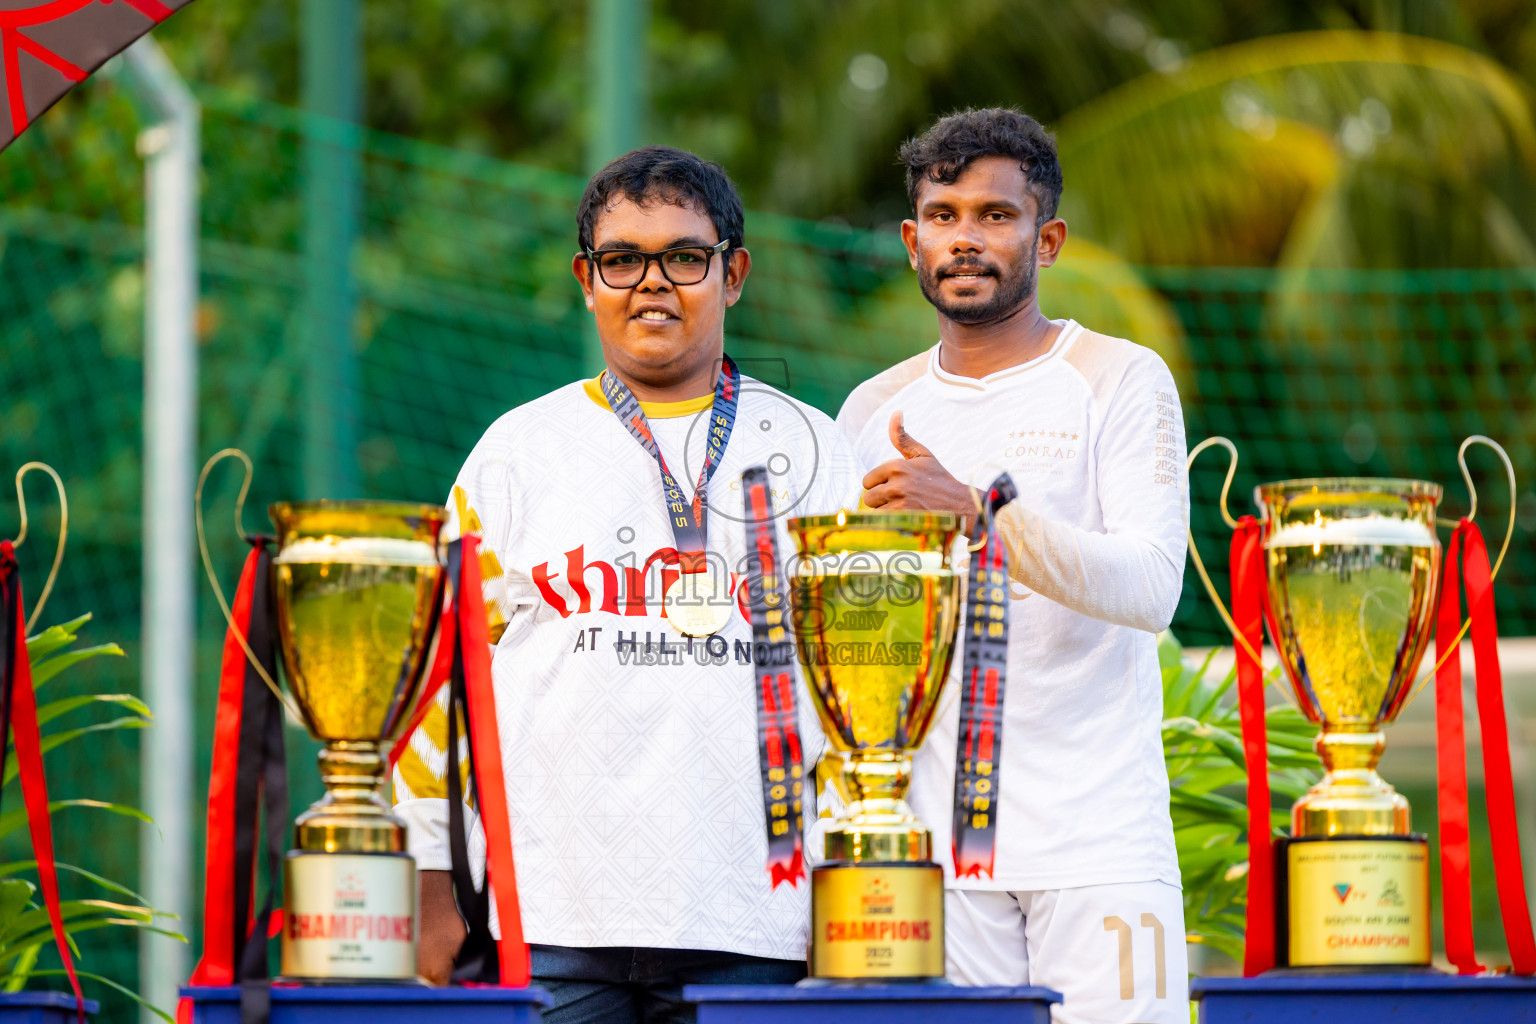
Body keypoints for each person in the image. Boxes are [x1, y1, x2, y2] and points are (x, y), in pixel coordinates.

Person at [395, 145, 861, 1022]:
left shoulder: (814, 449)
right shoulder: (518, 451)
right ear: (587, 279)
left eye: (684, 256)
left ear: (733, 275)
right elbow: (436, 679)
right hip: (549, 915)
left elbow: (855, 695)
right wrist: (427, 878)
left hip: (757, 917)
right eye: (622, 259)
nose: (652, 282)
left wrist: (851, 884)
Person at [838, 108, 1190, 1024]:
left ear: (1049, 238)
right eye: (944, 215)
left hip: (1098, 835)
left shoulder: (1120, 375)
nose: (966, 238)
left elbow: (1153, 585)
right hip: (935, 848)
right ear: (912, 241)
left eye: (996, 215)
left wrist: (979, 514)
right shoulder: (869, 412)